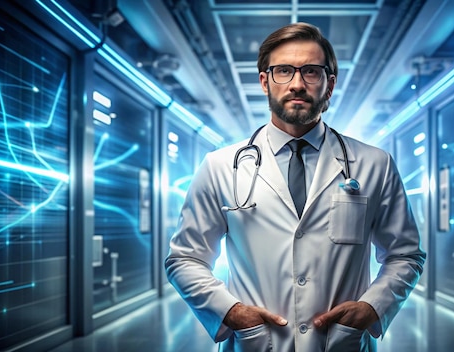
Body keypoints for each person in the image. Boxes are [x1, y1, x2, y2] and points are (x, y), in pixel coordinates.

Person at [165, 22, 426, 352]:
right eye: (284, 71)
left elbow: (405, 254)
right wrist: (230, 312)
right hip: (257, 343)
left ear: (329, 85)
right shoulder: (220, 166)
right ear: (264, 82)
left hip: (340, 343)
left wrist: (371, 308)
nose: (297, 84)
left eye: (312, 72)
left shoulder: (375, 164)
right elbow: (184, 259)